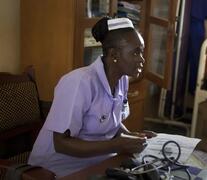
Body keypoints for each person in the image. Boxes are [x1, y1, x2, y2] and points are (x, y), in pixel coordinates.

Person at [28, 17, 155, 177]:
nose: (142, 59)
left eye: (141, 52)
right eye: (135, 52)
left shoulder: (122, 80)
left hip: (98, 162)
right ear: (114, 54)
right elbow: (61, 144)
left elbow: (111, 122)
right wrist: (117, 145)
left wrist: (132, 136)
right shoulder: (79, 83)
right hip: (57, 170)